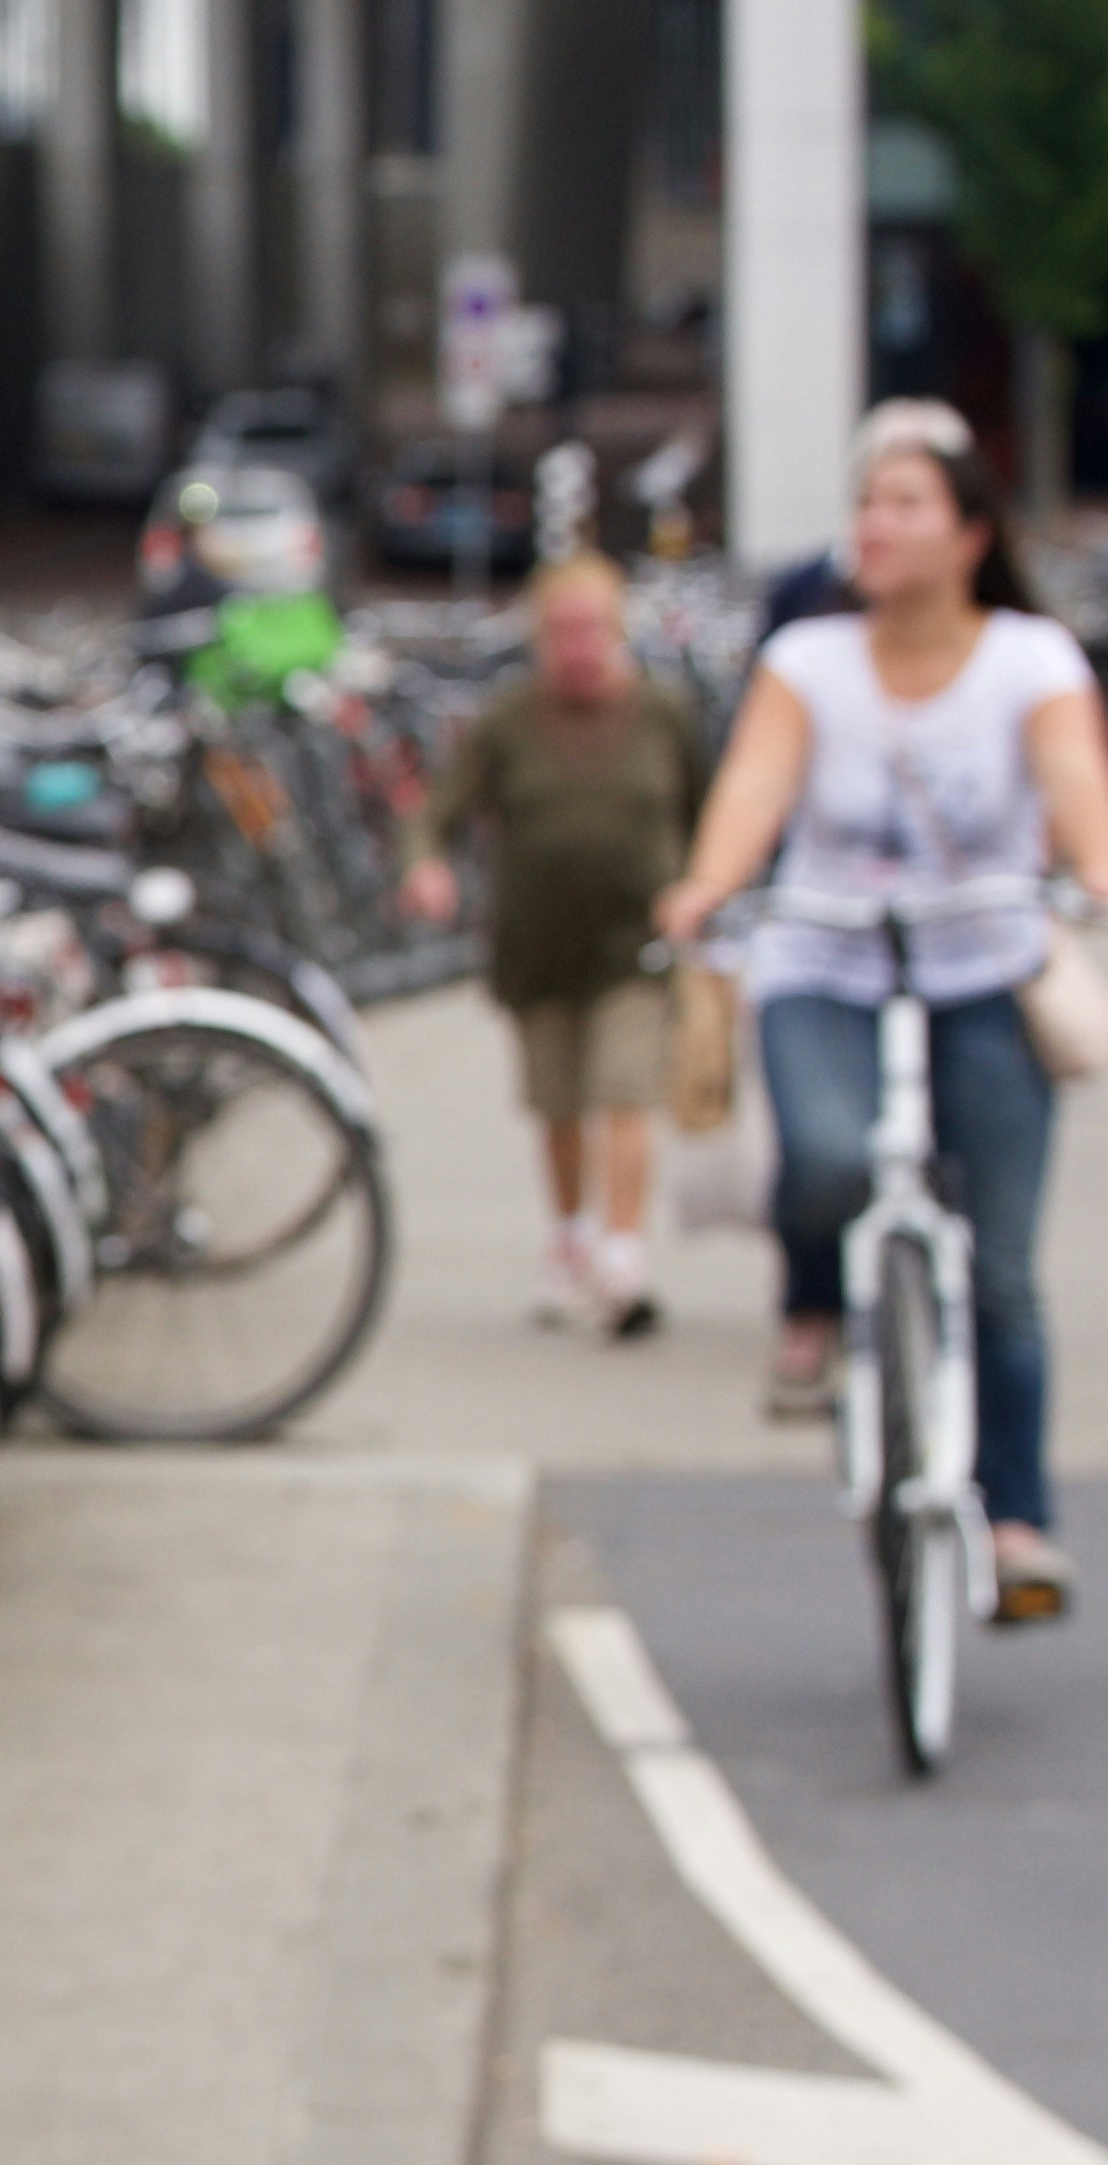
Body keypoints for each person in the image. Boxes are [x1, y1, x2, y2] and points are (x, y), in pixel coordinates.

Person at [658, 399, 1108, 1622]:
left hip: (983, 964)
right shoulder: (809, 660)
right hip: (827, 959)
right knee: (820, 1161)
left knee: (1002, 1270)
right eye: (864, 503)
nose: (874, 525)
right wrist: (706, 885)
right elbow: (755, 782)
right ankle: (819, 1306)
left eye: (904, 504)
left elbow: (1075, 788)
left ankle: (1014, 1519)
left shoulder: (1028, 661)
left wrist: (1095, 867)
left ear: (968, 532)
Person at [406, 555, 714, 1335]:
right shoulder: (509, 721)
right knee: (559, 1104)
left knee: (624, 1093)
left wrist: (702, 888)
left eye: (593, 629)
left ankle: (622, 1252)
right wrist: (427, 865)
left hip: (633, 942)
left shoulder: (661, 713)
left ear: (619, 632)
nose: (578, 646)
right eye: (562, 631)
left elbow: (710, 810)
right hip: (538, 943)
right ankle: (570, 1235)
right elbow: (436, 810)